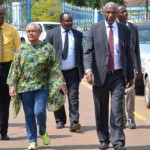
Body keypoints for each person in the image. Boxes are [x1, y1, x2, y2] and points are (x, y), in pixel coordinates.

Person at [7, 22, 67, 150]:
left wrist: (61, 83)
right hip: (24, 87)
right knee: (29, 114)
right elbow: (15, 69)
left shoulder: (47, 48)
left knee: (39, 111)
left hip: (42, 86)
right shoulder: (21, 49)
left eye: (33, 31)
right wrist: (12, 86)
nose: (30, 33)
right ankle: (32, 141)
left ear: (40, 32)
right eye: (28, 31)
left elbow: (55, 67)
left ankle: (43, 131)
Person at [83, 2, 134, 150]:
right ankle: (104, 139)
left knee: (117, 109)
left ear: (118, 14)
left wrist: (130, 75)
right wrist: (88, 70)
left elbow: (128, 53)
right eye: (108, 12)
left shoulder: (124, 29)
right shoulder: (95, 28)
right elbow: (87, 51)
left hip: (118, 75)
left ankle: (118, 141)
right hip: (99, 75)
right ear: (103, 13)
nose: (111, 15)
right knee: (101, 109)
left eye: (113, 12)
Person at [45, 12, 84, 132]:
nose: (69, 23)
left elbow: (80, 53)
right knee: (58, 97)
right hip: (57, 73)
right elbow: (46, 53)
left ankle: (74, 122)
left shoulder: (78, 34)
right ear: (60, 22)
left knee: (74, 97)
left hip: (72, 71)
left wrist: (81, 69)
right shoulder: (51, 34)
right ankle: (60, 120)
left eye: (71, 21)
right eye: (67, 21)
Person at [118, 5, 142, 129]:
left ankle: (131, 117)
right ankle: (121, 118)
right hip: (118, 65)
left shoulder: (132, 27)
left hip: (131, 64)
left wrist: (138, 67)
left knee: (131, 92)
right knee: (119, 93)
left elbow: (136, 48)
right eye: (122, 12)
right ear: (117, 14)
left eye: (126, 11)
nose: (126, 14)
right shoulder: (114, 27)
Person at [0, 5, 21, 140]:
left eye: (1, 14)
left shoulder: (11, 30)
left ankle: (3, 131)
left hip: (7, 68)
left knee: (4, 102)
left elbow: (19, 51)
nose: (0, 16)